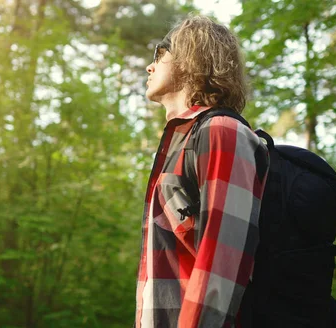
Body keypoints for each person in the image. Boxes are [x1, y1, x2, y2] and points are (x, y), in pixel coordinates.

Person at [135, 15, 269, 327]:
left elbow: (222, 267)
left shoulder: (221, 130)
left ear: (190, 59)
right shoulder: (183, 140)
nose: (149, 66)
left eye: (160, 55)